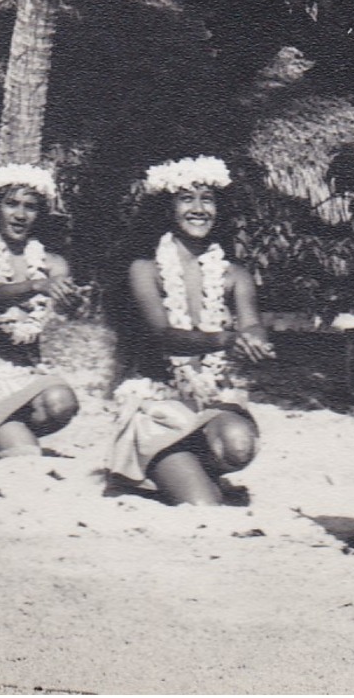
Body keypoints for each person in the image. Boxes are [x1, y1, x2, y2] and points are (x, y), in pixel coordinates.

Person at [107, 157, 275, 506]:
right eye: (186, 198)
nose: (199, 209)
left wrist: (255, 340)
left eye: (208, 199)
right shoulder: (145, 269)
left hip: (210, 401)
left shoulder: (234, 274)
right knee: (204, 506)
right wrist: (226, 340)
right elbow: (162, 335)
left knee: (239, 445)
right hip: (160, 405)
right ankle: (158, 469)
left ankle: (189, 467)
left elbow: (251, 323)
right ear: (167, 208)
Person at [0, 164, 80, 459]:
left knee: (63, 403)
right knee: (27, 456)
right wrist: (37, 286)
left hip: (29, 381)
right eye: (11, 204)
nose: (20, 215)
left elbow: (60, 303)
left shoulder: (53, 264)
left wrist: (71, 301)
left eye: (30, 207)